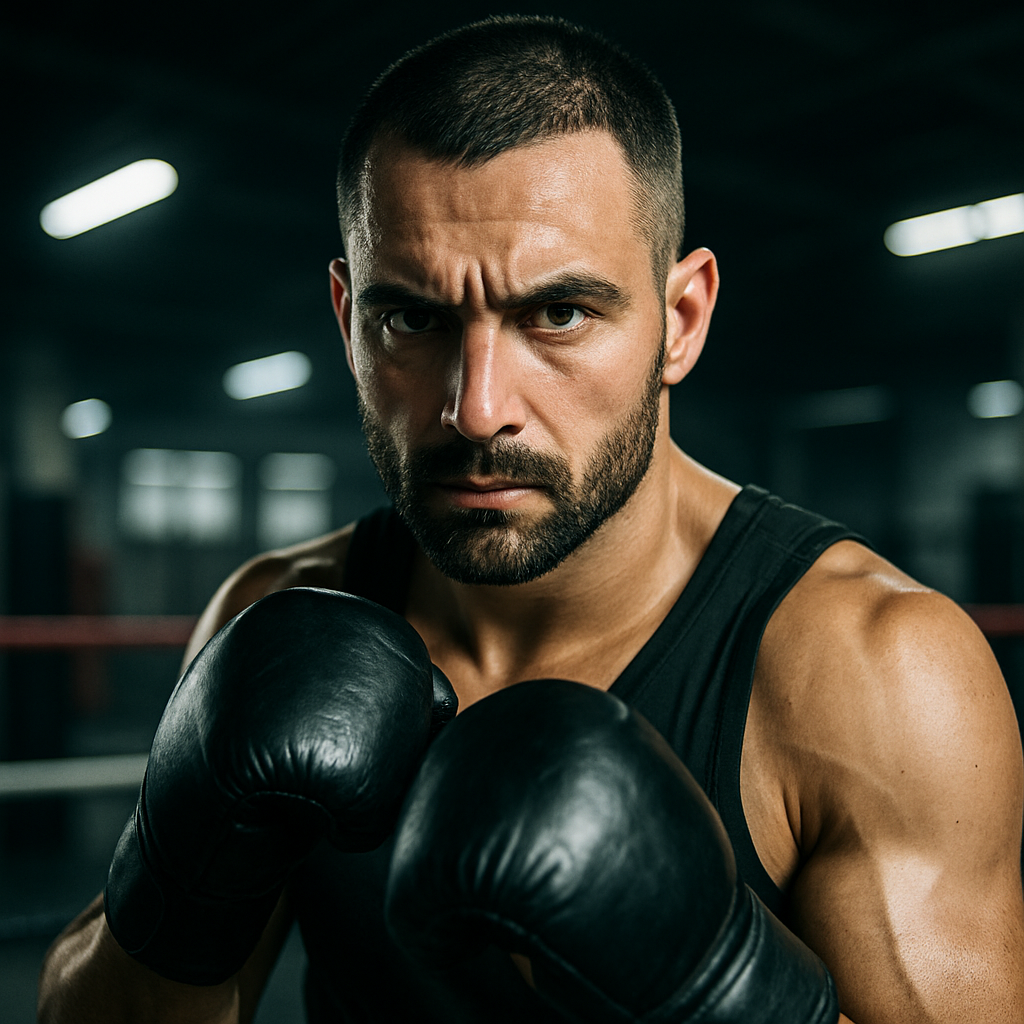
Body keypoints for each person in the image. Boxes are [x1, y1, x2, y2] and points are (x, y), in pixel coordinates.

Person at [38, 15, 1023, 1024]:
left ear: (680, 319)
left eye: (556, 313)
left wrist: (727, 986)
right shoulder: (279, 616)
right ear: (347, 321)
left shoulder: (877, 673)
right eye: (412, 318)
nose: (476, 407)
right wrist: (188, 882)